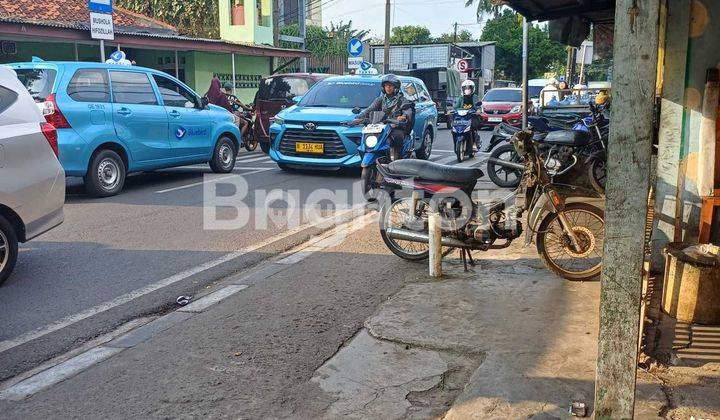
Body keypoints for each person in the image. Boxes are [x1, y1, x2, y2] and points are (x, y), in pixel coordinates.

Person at [353, 74, 413, 155]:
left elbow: (407, 111)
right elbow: (369, 109)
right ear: (383, 88)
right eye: (386, 85)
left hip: (396, 126)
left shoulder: (402, 100)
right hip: (382, 125)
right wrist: (358, 117)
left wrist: (403, 117)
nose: (388, 88)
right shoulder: (380, 99)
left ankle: (397, 158)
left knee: (397, 137)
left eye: (390, 86)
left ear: (396, 87)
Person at [454, 79, 482, 150]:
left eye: (469, 88)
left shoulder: (475, 97)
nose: (467, 90)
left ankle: (474, 143)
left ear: (472, 89)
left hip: (472, 117)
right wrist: (452, 110)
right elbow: (456, 107)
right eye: (465, 88)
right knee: (454, 127)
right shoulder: (461, 98)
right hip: (462, 117)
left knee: (472, 127)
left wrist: (478, 110)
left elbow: (478, 107)